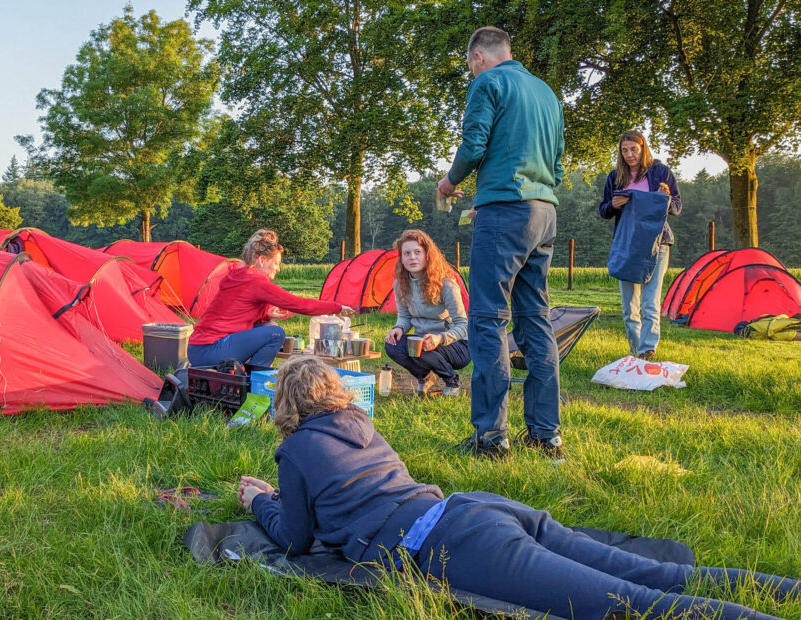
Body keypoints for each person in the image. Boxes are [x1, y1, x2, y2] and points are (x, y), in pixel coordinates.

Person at [239, 356, 798, 620]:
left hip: (452, 544)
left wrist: (260, 499)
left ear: (288, 404)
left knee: (634, 606)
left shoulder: (295, 449)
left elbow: (294, 538)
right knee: (657, 576)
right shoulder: (362, 425)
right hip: (475, 506)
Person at [436, 26, 565, 459]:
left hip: (506, 212)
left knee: (488, 320)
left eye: (469, 65)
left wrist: (450, 182)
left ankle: (491, 438)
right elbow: (557, 162)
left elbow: (474, 145)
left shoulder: (487, 83)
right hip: (543, 212)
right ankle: (547, 436)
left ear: (477, 57)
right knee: (536, 319)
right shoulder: (546, 92)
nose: (471, 71)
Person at [189, 230, 353, 367]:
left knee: (268, 325)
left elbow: (234, 315)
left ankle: (244, 375)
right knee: (275, 333)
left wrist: (266, 315)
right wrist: (337, 307)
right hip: (209, 350)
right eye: (276, 263)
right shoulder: (256, 282)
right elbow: (299, 304)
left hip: (199, 349)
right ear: (261, 260)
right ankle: (255, 381)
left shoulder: (239, 277)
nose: (278, 269)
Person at [598, 130, 682, 361]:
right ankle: (635, 353)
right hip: (627, 244)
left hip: (658, 243)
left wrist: (663, 197)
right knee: (629, 306)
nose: (629, 155)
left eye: (633, 149)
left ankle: (647, 351)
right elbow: (603, 210)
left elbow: (676, 207)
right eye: (624, 151)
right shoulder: (616, 176)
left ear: (643, 147)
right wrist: (613, 205)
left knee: (650, 303)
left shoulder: (660, 172)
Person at [384, 230, 469, 397]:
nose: (412, 258)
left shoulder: (446, 284)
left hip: (456, 344)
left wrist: (440, 338)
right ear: (401, 258)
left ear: (427, 255)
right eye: (406, 253)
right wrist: (399, 328)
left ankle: (452, 380)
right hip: (423, 340)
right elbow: (405, 316)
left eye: (417, 252)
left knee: (420, 347)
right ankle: (425, 377)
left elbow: (463, 325)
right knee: (393, 345)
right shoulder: (400, 283)